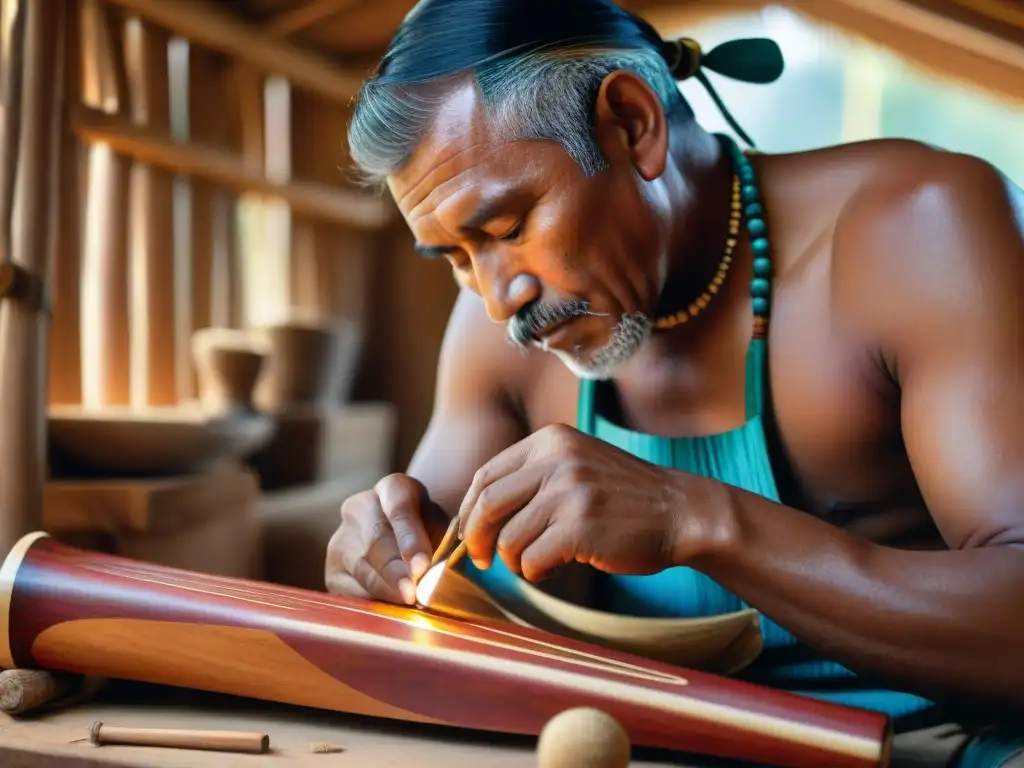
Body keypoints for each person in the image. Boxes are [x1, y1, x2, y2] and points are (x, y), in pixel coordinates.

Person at [324, 0, 1024, 764]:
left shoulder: (918, 228)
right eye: (455, 257)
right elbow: (436, 596)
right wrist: (380, 560)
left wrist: (693, 519)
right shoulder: (495, 329)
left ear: (632, 124)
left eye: (507, 229)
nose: (498, 300)